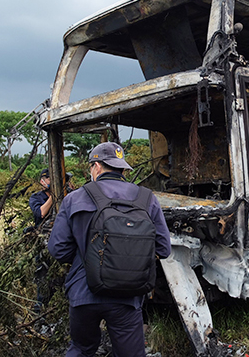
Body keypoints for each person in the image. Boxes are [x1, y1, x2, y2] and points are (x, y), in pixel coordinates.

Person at [48, 142, 171, 357]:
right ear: (123, 170)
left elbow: (57, 249)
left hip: (84, 292)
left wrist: (87, 257)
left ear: (96, 166)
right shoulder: (147, 198)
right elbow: (164, 248)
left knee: (81, 349)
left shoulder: (74, 198)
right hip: (127, 295)